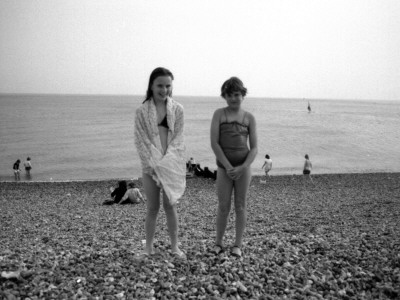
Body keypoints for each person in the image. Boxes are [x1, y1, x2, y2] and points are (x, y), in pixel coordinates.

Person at [134, 67, 186, 259]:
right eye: (160, 86)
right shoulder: (141, 111)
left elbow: (179, 139)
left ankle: (175, 247)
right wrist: (155, 163)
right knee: (152, 208)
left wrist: (167, 162)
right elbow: (140, 140)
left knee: (170, 206)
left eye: (168, 86)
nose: (164, 90)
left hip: (171, 166)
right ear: (151, 86)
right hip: (150, 167)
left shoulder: (178, 110)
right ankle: (148, 247)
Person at [210, 77, 258, 258]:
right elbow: (214, 143)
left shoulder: (249, 118)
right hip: (224, 168)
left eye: (236, 95)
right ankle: (218, 243)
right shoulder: (219, 114)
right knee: (223, 206)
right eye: (229, 95)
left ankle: (237, 244)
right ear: (224, 96)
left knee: (241, 205)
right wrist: (229, 166)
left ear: (242, 95)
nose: (233, 98)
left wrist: (243, 167)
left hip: (243, 169)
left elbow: (254, 148)